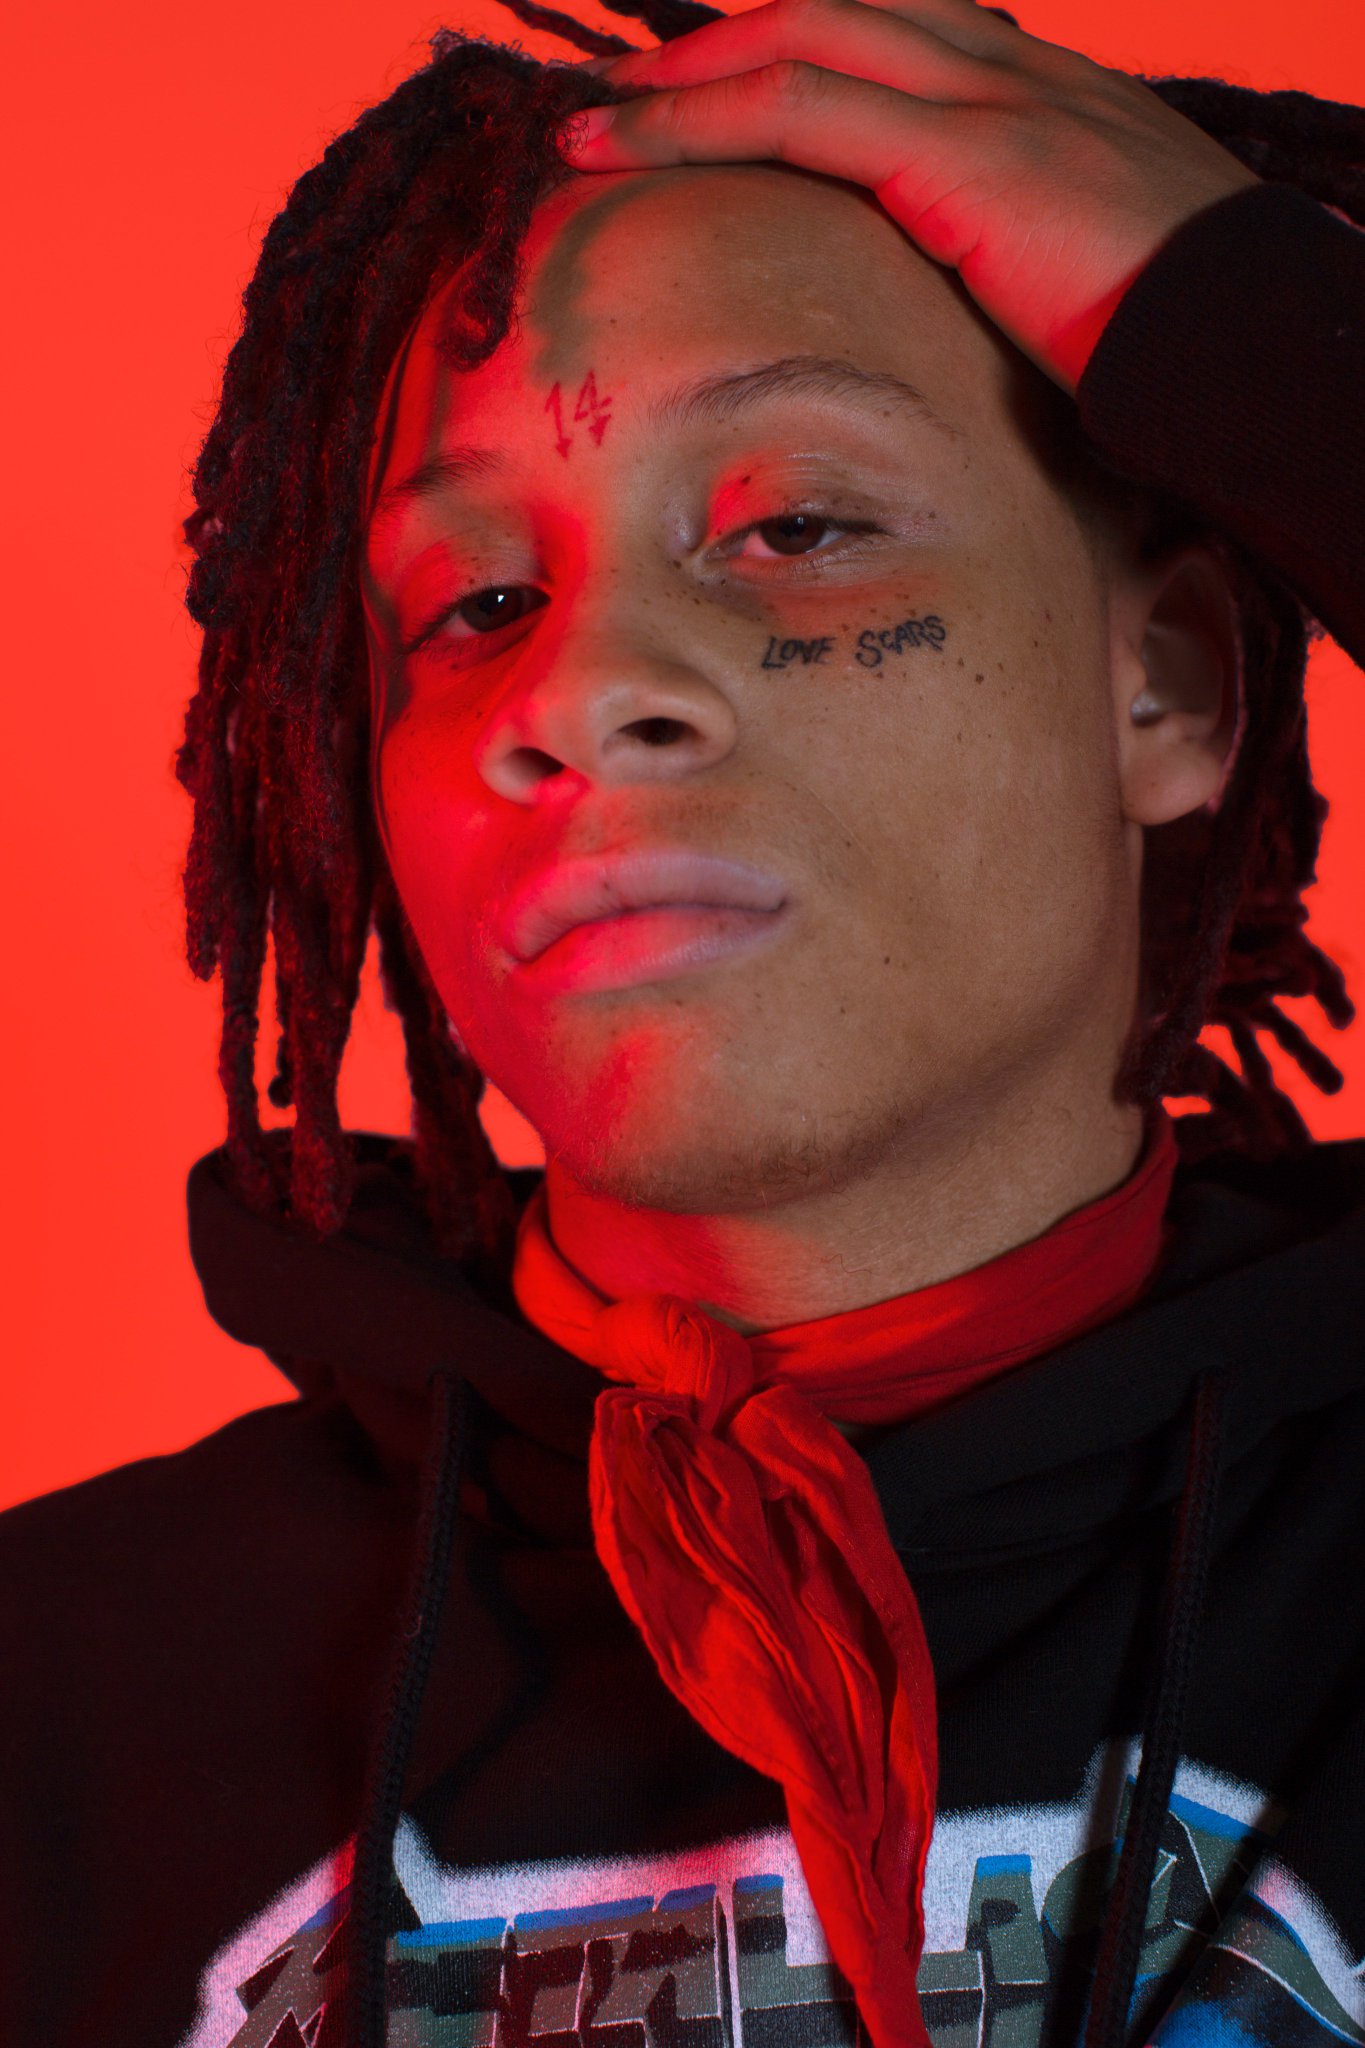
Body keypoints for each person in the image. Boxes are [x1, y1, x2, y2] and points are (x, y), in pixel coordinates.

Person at [1, 1, 1363, 2043]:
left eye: (795, 527)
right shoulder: (64, 1692)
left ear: (1161, 682)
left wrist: (1258, 328)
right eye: (473, 604)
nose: (574, 692)